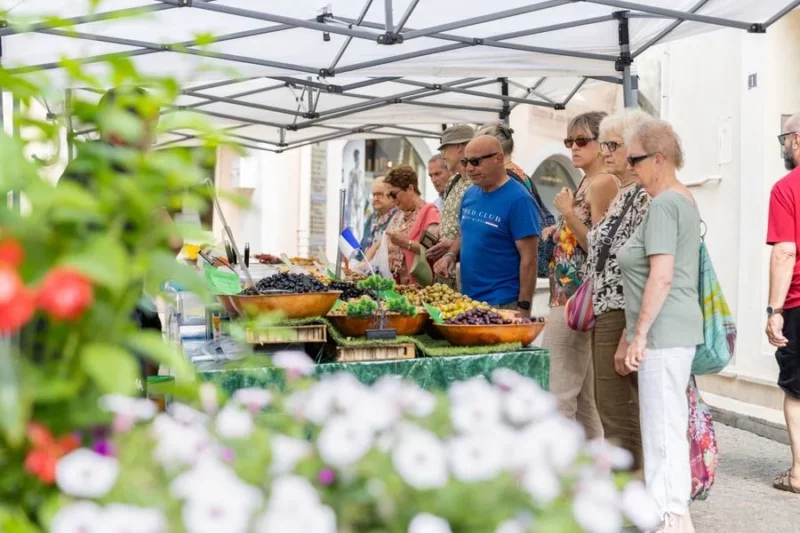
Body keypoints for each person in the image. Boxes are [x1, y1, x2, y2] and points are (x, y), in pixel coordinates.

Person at [617, 118, 703, 532]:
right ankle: (668, 515)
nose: (629, 167)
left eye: (634, 159)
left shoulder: (666, 204)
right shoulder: (682, 199)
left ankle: (670, 519)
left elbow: (662, 276)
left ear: (659, 159)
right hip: (671, 329)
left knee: (662, 429)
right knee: (665, 424)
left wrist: (640, 335)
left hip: (664, 331)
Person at [540, 111, 616, 439]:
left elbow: (599, 245)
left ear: (603, 144)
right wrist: (558, 230)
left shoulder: (603, 183)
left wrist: (568, 214)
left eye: (582, 140)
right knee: (585, 401)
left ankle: (559, 461)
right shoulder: (586, 182)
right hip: (567, 296)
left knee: (556, 392)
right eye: (569, 141)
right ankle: (601, 461)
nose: (573, 147)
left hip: (576, 299)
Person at [587, 110, 652, 472]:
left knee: (618, 408)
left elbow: (647, 267)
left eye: (613, 144)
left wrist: (630, 331)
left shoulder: (643, 197)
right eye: (604, 144)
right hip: (608, 308)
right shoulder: (623, 192)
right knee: (610, 406)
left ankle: (630, 488)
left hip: (622, 310)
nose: (605, 152)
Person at [433, 136, 539, 313]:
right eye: (466, 162)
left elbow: (529, 259)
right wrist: (450, 255)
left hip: (502, 303)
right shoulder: (470, 193)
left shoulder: (519, 199)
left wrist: (524, 306)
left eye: (476, 162)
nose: (469, 168)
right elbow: (464, 232)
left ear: (498, 158)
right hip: (468, 300)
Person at [765, 111, 800, 495]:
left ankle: (799, 473)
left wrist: (773, 310)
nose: (784, 148)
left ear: (797, 139)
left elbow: (785, 252)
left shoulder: (787, 187)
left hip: (798, 304)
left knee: (796, 392)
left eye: (784, 140)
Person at [427, 124, 475, 288]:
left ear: (458, 147)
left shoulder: (478, 184)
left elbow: (478, 228)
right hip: (444, 270)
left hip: (465, 272)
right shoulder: (453, 181)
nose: (443, 155)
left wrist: (454, 245)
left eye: (444, 149)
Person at [381, 165, 441, 286]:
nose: (392, 200)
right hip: (398, 286)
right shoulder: (399, 215)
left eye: (394, 194)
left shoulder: (430, 213)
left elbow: (432, 249)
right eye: (389, 196)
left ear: (410, 189)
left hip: (420, 288)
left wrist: (404, 243)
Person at [359, 176, 397, 252]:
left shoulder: (398, 218)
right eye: (374, 195)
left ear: (392, 196)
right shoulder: (371, 218)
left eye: (380, 194)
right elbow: (362, 248)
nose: (375, 198)